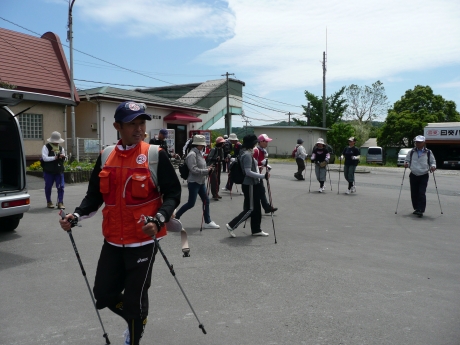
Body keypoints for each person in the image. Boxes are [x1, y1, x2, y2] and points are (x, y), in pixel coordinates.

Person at [59, 101, 181, 345]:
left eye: (142, 123)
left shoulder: (155, 155)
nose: (139, 129)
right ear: (117, 126)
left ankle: (133, 333)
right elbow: (94, 196)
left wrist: (159, 219)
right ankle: (137, 318)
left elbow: (173, 194)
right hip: (113, 241)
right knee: (103, 294)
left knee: (136, 298)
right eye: (132, 124)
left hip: (144, 241)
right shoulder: (106, 155)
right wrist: (75, 215)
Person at [226, 134, 270, 238]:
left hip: (253, 183)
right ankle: (231, 225)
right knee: (250, 209)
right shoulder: (246, 154)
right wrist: (263, 176)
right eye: (255, 142)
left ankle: (256, 230)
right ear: (251, 143)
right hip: (249, 184)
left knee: (257, 208)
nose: (256, 143)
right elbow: (248, 172)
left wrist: (260, 168)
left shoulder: (245, 152)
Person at [174, 135, 220, 228]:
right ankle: (176, 217)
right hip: (194, 182)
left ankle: (208, 222)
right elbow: (193, 169)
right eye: (202, 144)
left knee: (206, 201)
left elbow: (200, 167)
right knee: (191, 203)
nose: (203, 146)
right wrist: (206, 171)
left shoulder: (198, 153)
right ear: (198, 144)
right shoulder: (192, 154)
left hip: (200, 181)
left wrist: (208, 168)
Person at [404, 135, 436, 217]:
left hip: (423, 174)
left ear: (424, 143)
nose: (417, 144)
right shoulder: (411, 152)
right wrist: (406, 164)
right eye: (416, 142)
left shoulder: (428, 152)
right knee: (414, 192)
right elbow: (407, 160)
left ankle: (421, 209)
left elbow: (433, 161)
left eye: (419, 142)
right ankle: (416, 208)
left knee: (421, 192)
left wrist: (433, 166)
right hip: (413, 174)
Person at [41, 131, 66, 209]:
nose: (57, 143)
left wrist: (63, 157)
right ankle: (49, 201)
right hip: (49, 171)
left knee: (61, 187)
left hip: (59, 171)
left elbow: (65, 158)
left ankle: (60, 202)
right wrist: (55, 157)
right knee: (48, 186)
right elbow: (44, 158)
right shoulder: (46, 147)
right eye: (55, 142)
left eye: (58, 142)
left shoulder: (61, 148)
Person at [253, 134, 278, 214]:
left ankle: (266, 207)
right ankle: (254, 209)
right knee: (259, 192)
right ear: (260, 142)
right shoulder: (256, 150)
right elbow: (253, 164)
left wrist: (265, 165)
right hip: (254, 175)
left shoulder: (263, 151)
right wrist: (261, 164)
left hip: (259, 174)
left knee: (261, 191)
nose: (267, 143)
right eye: (266, 141)